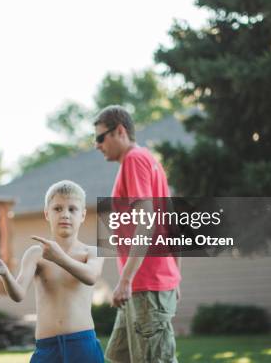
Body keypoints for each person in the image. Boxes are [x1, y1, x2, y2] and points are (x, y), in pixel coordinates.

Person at [94, 105, 181, 363]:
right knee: (120, 357)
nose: (97, 145)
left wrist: (126, 280)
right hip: (144, 285)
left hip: (144, 285)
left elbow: (148, 222)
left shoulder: (134, 160)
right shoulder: (148, 161)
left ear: (119, 131)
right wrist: (176, 275)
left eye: (100, 138)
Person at [0, 180, 105, 363]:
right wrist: (5, 274)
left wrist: (58, 257)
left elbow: (91, 277)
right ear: (47, 214)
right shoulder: (35, 253)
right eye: (57, 209)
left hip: (82, 344)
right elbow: (18, 294)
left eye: (72, 209)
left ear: (83, 215)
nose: (65, 214)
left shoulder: (92, 252)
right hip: (47, 347)